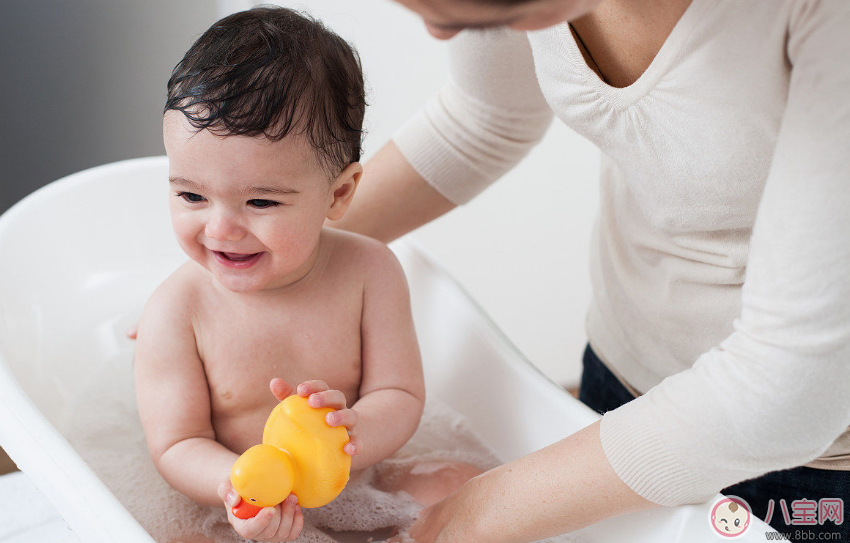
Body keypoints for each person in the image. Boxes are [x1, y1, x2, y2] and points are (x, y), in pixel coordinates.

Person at [326, 0, 850, 541]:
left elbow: (793, 388)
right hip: (618, 397)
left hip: (819, 467)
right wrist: (271, 253)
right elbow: (487, 116)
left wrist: (476, 513)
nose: (438, 31)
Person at [133, 7, 480, 542]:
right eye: (191, 195)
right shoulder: (178, 310)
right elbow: (176, 446)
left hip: (357, 482)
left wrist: (354, 433)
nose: (221, 228)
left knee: (464, 485)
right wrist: (238, 487)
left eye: (261, 200)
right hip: (229, 503)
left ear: (338, 194)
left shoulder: (371, 272)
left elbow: (399, 394)